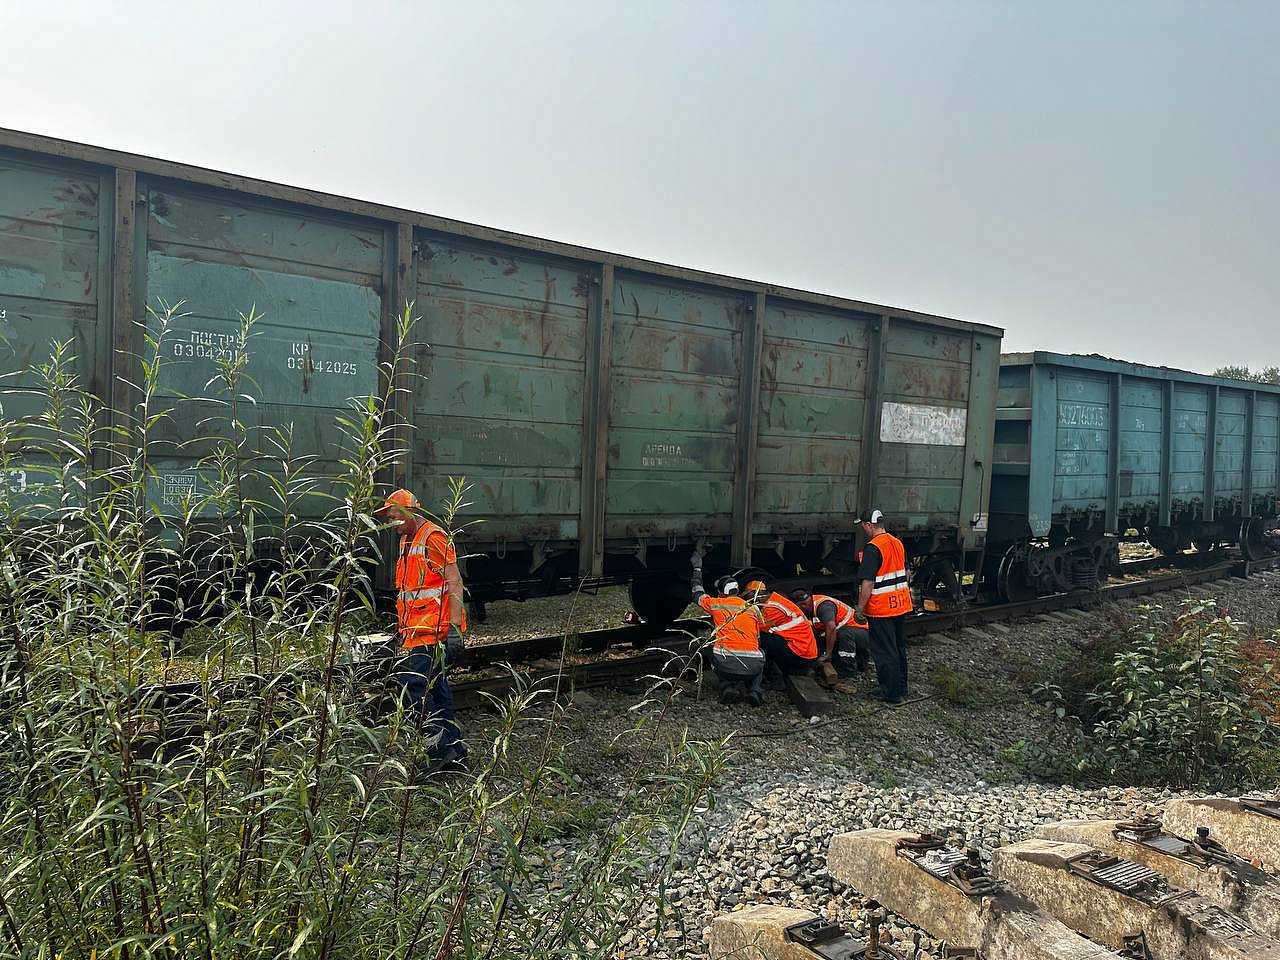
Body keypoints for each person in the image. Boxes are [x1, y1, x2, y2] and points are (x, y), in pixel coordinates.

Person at [376, 488, 468, 770]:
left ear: (408, 513)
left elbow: (454, 582)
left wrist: (454, 629)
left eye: (393, 518)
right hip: (415, 630)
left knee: (415, 689)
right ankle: (454, 751)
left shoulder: (433, 537)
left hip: (432, 631)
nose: (391, 524)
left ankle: (436, 751)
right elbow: (411, 591)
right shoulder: (408, 538)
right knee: (437, 690)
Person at [853, 508, 912, 704]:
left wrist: (860, 608)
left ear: (869, 525)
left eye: (863, 526)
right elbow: (907, 573)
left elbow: (867, 583)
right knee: (898, 647)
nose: (863, 530)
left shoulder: (873, 548)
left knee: (885, 651)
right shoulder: (897, 543)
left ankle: (891, 694)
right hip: (901, 605)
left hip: (882, 609)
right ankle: (901, 687)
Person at [690, 556, 765, 706]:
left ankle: (727, 687)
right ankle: (755, 690)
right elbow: (758, 639)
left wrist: (697, 569)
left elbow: (696, 593)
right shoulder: (754, 609)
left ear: (721, 593)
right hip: (753, 668)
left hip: (726, 667)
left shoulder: (716, 604)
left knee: (706, 646)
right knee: (760, 652)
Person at [744, 580, 818, 682]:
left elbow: (755, 627)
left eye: (749, 598)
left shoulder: (773, 608)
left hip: (802, 654)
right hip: (803, 650)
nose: (750, 601)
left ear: (756, 595)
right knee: (768, 638)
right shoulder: (775, 601)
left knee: (761, 639)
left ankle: (775, 678)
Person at [792, 588, 869, 684]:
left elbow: (831, 628)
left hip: (861, 633)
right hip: (844, 633)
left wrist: (827, 654)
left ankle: (848, 672)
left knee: (844, 634)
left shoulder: (823, 606)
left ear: (803, 605)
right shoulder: (809, 609)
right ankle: (835, 665)